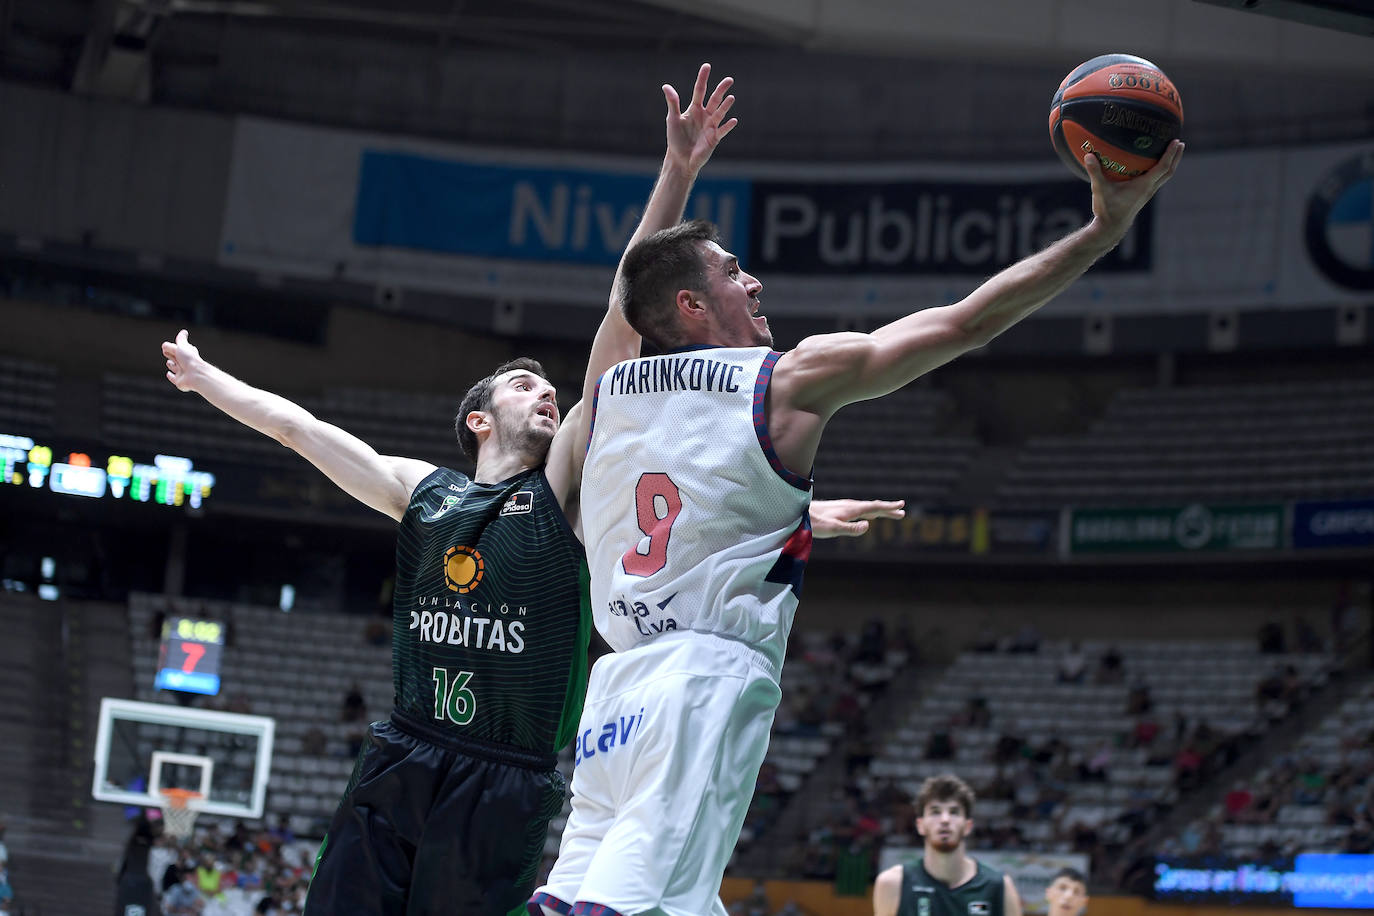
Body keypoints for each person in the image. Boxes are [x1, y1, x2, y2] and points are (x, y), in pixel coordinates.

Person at [163, 64, 897, 916]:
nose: (547, 392)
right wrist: (206, 377)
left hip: (508, 777)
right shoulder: (424, 496)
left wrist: (679, 171)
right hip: (407, 750)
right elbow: (301, 430)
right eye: (522, 387)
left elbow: (627, 310)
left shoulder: (562, 491)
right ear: (477, 420)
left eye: (551, 388)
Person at [536, 133, 1182, 916]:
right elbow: (966, 324)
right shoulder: (782, 382)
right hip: (701, 677)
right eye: (734, 272)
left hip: (616, 691)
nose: (755, 280)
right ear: (692, 305)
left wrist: (676, 174)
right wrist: (1102, 233)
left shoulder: (606, 392)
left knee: (617, 897)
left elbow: (625, 299)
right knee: (625, 905)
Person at [872, 774, 1023, 916]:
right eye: (935, 811)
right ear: (920, 825)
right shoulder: (893, 883)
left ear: (968, 826)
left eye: (954, 812)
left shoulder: (999, 886)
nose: (945, 819)